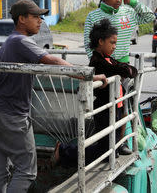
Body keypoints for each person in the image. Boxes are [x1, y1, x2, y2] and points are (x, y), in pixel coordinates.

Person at [0, 0, 106, 192]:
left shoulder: (9, 41)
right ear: (21, 19)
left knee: (0, 167)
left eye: (41, 17)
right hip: (13, 116)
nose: (40, 21)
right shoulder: (21, 41)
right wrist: (88, 75)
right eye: (36, 17)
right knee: (27, 171)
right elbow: (52, 60)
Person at [54, 19, 138, 167]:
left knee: (113, 148)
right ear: (101, 41)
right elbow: (123, 69)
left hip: (115, 107)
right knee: (106, 150)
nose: (114, 46)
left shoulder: (108, 59)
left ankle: (65, 153)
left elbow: (130, 70)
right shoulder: (97, 61)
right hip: (105, 109)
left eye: (115, 43)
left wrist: (126, 69)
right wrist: (125, 69)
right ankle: (63, 151)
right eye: (112, 42)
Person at [84, 0, 155, 63]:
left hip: (123, 64)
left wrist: (133, 2)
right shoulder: (92, 16)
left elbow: (150, 16)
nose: (118, 0)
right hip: (102, 65)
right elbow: (88, 42)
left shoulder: (128, 12)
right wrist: (97, 61)